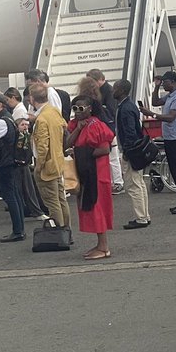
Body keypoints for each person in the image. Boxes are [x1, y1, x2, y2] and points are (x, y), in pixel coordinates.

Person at [66, 95, 114, 260]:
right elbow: (67, 143)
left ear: (90, 109)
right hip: (87, 173)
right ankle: (100, 245)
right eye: (75, 108)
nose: (78, 112)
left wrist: (80, 153)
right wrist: (78, 129)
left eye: (81, 108)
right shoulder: (76, 125)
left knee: (97, 207)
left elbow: (105, 149)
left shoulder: (96, 125)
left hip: (97, 174)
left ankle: (104, 246)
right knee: (90, 207)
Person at [143, 71, 176, 215]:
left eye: (165, 82)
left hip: (175, 138)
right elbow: (155, 102)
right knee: (174, 169)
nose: (163, 84)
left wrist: (151, 114)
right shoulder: (171, 95)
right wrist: (156, 87)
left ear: (173, 82)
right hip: (170, 137)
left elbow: (171, 117)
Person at [0, 91, 25, 241]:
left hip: (3, 163)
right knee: (15, 194)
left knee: (10, 196)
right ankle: (20, 229)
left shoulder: (1, 121)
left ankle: (18, 230)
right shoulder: (9, 117)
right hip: (10, 161)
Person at [30, 83, 70, 230]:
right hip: (58, 161)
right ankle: (67, 229)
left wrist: (38, 167)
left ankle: (58, 232)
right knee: (61, 199)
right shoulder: (54, 111)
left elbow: (42, 147)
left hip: (47, 165)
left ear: (32, 99)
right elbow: (64, 129)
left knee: (52, 202)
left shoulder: (41, 119)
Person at [112, 78, 151, 228]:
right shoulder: (130, 105)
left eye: (115, 88)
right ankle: (144, 215)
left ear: (121, 90)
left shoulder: (125, 108)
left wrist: (127, 151)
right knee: (139, 183)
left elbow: (129, 132)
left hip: (132, 150)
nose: (112, 90)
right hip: (137, 149)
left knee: (133, 185)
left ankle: (140, 217)